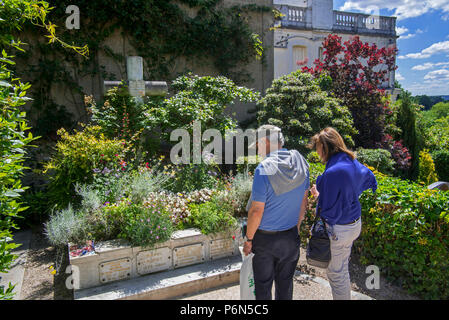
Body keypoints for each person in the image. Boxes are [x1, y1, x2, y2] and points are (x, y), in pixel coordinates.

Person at [308, 127, 377, 300]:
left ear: (325, 146)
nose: (317, 153)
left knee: (336, 275)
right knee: (341, 268)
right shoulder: (351, 161)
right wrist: (349, 194)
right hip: (354, 223)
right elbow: (369, 178)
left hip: (340, 229)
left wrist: (318, 196)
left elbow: (328, 209)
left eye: (318, 148)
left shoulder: (332, 172)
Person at [243, 125, 310, 300]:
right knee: (285, 285)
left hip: (265, 241)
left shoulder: (264, 168)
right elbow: (304, 201)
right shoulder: (300, 161)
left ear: (265, 142)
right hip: (290, 237)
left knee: (263, 288)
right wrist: (296, 227)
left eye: (257, 144)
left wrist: (249, 239)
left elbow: (256, 211)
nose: (257, 149)